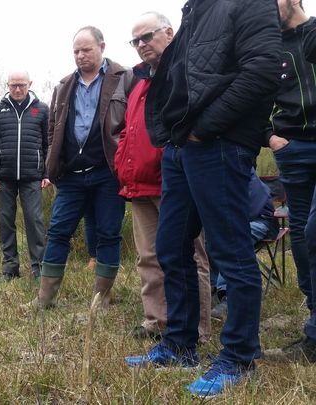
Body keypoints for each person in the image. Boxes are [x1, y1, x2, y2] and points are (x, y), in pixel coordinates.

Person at [125, 0, 282, 398]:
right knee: (171, 246)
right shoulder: (194, 10)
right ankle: (179, 345)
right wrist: (178, 134)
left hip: (221, 144)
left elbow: (262, 72)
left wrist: (205, 129)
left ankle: (239, 357)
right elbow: (182, 76)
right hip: (183, 146)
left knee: (230, 250)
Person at [114, 11, 211, 342]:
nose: (141, 45)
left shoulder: (186, 69)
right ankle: (157, 322)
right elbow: (130, 130)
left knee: (189, 256)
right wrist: (122, 165)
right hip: (139, 183)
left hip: (175, 181)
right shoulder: (140, 81)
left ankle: (195, 330)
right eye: (136, 40)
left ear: (169, 33)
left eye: (147, 37)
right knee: (148, 258)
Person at [26, 26, 135, 310]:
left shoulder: (125, 78)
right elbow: (53, 129)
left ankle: (102, 301)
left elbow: (132, 124)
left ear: (102, 46)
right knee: (58, 231)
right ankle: (44, 299)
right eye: (76, 51)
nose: (80, 55)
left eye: (86, 49)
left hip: (107, 173)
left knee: (109, 233)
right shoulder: (63, 85)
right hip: (72, 175)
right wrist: (55, 162)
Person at [268, 0, 316, 362]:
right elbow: (251, 96)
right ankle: (314, 325)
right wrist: (270, 138)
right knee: (299, 235)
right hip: (292, 148)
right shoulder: (267, 47)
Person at [0, 70, 50, 280]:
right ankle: (10, 268)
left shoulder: (42, 109)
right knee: (5, 222)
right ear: (7, 85)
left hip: (33, 177)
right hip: (3, 178)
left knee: (35, 221)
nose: (17, 89)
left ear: (30, 83)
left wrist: (47, 172)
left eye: (21, 85)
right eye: (13, 85)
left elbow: (49, 144)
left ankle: (39, 268)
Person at [210, 169, 280, 320]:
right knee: (205, 238)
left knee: (230, 241)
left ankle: (229, 297)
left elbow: (242, 211)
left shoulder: (236, 167)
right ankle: (213, 288)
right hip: (234, 222)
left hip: (258, 221)